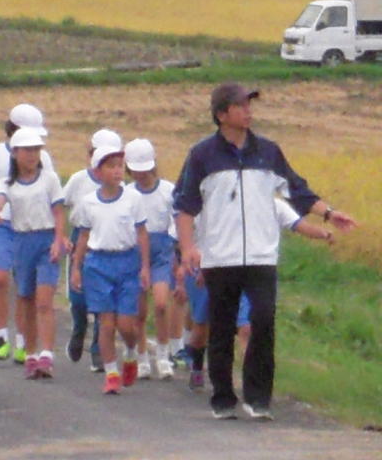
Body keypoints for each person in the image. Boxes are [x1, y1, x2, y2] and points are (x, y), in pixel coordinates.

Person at [174, 82, 357, 420]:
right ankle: (223, 398)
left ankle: (258, 398)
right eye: (241, 105)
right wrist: (188, 249)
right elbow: (185, 206)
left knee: (263, 320)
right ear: (221, 114)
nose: (248, 111)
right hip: (220, 256)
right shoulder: (202, 155)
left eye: (249, 105)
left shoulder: (268, 152)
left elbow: (297, 190)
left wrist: (329, 213)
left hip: (261, 256)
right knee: (221, 326)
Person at [183, 197, 335, 392]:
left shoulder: (276, 205)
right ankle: (197, 367)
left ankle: (251, 383)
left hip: (253, 273)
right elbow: (212, 238)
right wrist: (205, 266)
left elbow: (298, 224)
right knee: (202, 328)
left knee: (247, 328)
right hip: (216, 268)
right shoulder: (226, 204)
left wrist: (322, 233)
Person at [0, 104, 54, 364]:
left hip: (28, 227)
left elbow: (50, 194)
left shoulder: (43, 159)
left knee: (24, 286)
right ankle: (0, 337)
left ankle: (23, 341)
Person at [70, 145, 150, 394]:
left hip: (127, 262)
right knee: (105, 322)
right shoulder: (89, 202)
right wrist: (76, 267)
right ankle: (111, 372)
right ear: (98, 172)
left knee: (126, 324)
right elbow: (83, 236)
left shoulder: (133, 199)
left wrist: (145, 266)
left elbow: (142, 233)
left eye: (119, 166)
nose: (117, 171)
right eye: (110, 167)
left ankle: (130, 352)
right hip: (98, 264)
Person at [0, 127, 67, 379]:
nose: (32, 155)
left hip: (46, 240)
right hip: (22, 241)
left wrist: (58, 240)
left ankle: (47, 354)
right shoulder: (7, 183)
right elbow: (0, 199)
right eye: (27, 150)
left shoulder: (49, 179)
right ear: (15, 153)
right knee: (25, 298)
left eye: (36, 150)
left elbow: (58, 212)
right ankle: (30, 352)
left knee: (44, 300)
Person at [62, 128, 122, 372]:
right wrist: (62, 236)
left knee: (103, 297)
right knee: (78, 298)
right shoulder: (79, 180)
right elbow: (60, 205)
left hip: (105, 240)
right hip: (80, 237)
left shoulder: (120, 187)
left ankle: (99, 348)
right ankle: (79, 328)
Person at [124, 138, 177, 381]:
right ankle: (142, 356)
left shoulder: (168, 190)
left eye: (144, 169)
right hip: (135, 251)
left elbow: (177, 218)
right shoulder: (127, 193)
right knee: (139, 311)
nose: (141, 174)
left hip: (162, 251)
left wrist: (174, 243)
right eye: (136, 170)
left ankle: (163, 356)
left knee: (162, 303)